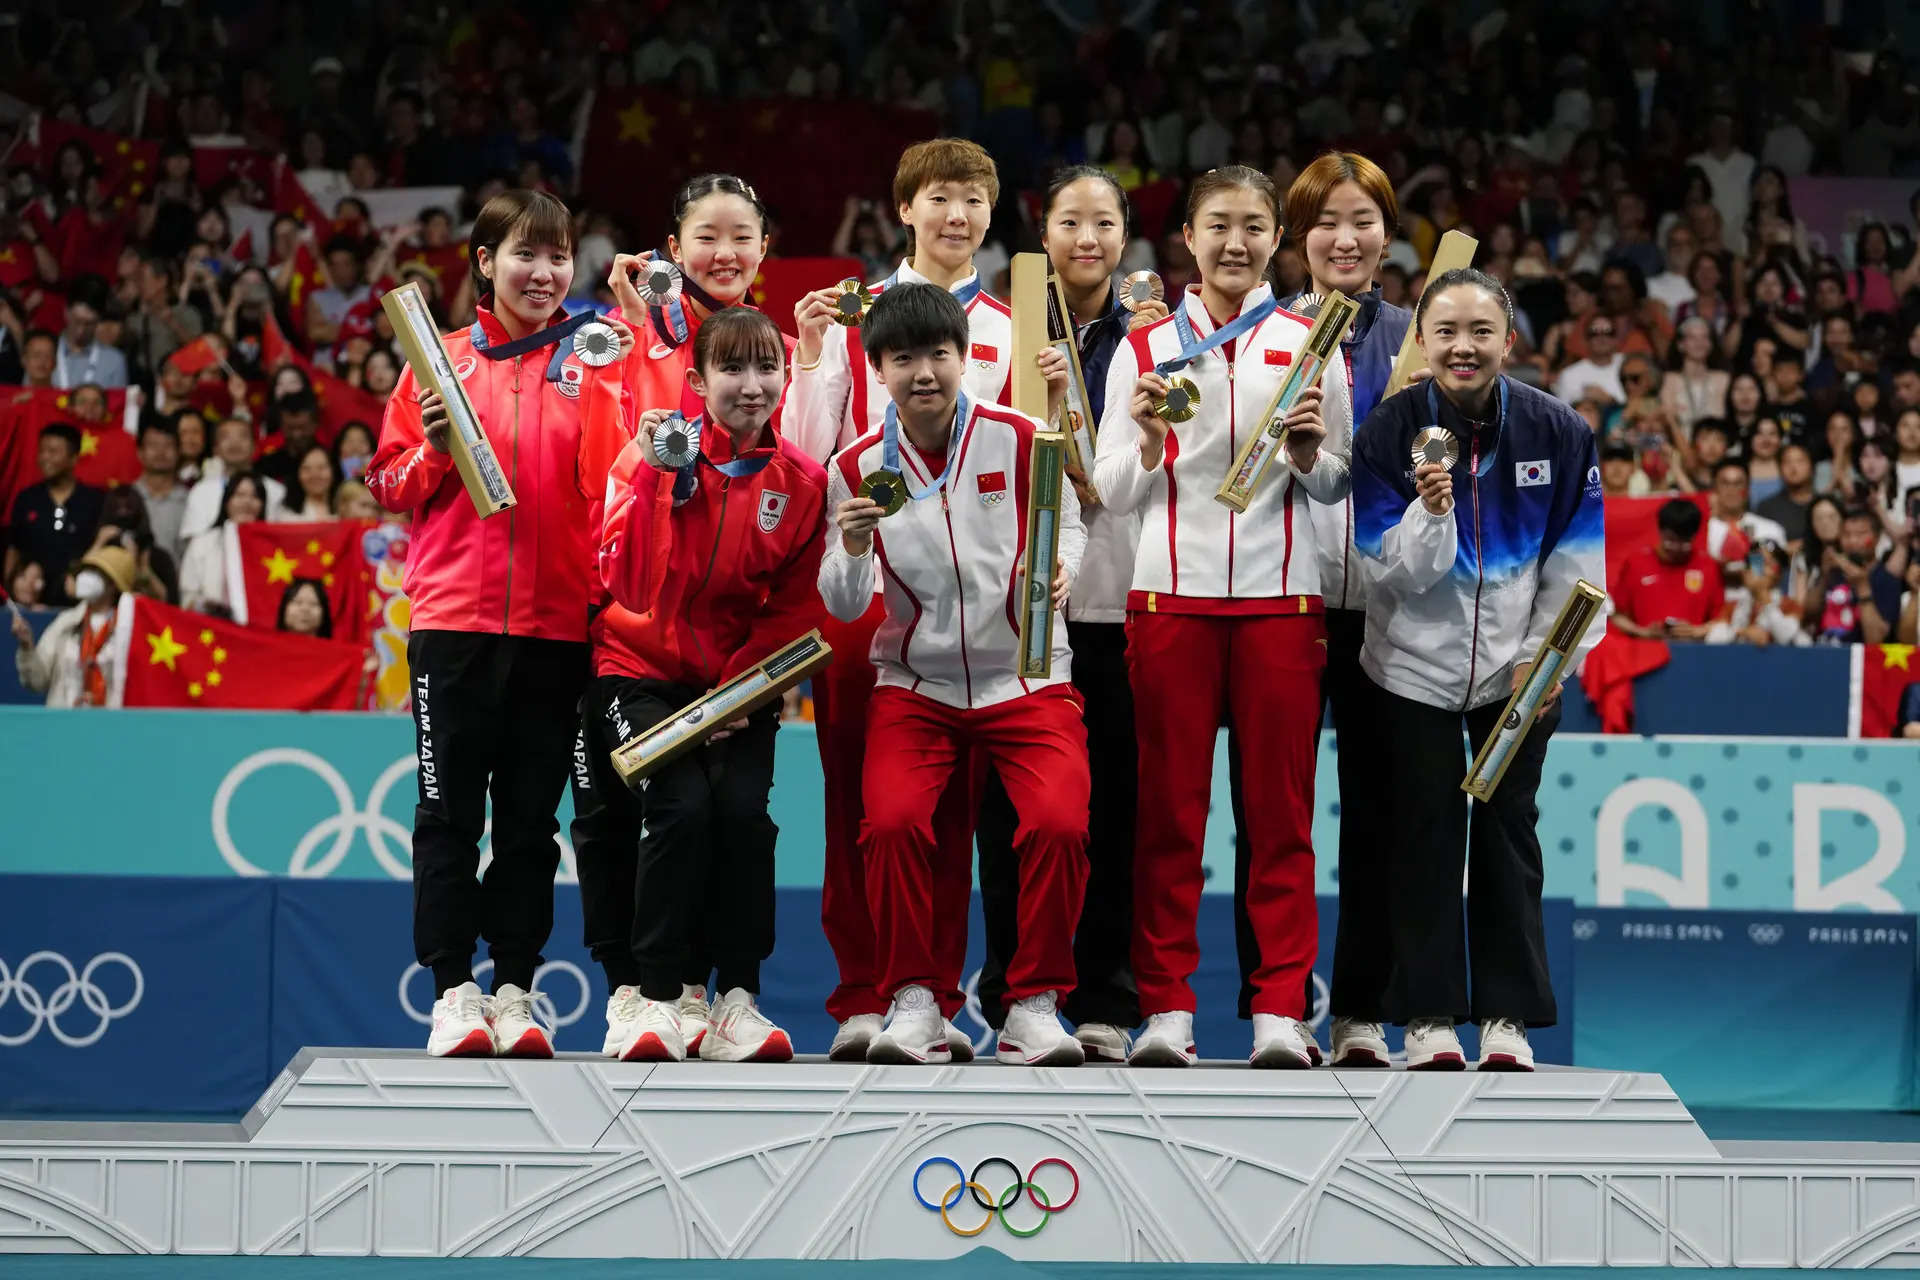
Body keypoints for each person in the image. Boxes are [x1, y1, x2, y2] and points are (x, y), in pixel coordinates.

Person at [1092, 165, 1353, 1069]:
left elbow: (1338, 480)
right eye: (1217, 226)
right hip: (1170, 601)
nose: (1235, 243)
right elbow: (1113, 489)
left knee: (1279, 817)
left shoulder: (1312, 336)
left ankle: (1279, 1008)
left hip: (1283, 602)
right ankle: (1167, 1009)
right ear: (1188, 240)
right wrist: (1153, 442)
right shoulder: (1146, 344)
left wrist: (1313, 454)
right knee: (1169, 816)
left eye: (1252, 227)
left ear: (1276, 240)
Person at [366, 189, 636, 1059]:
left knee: (529, 823)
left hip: (560, 629)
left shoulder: (594, 363)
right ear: (484, 262)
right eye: (526, 254)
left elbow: (615, 490)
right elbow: (384, 485)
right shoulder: (434, 363)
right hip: (453, 625)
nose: (545, 273)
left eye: (559, 258)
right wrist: (433, 452)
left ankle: (515, 989)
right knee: (447, 813)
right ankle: (452, 992)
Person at [784, 139, 1035, 1062]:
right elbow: (809, 453)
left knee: (963, 811)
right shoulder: (853, 318)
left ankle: (938, 990)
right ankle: (866, 992)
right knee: (861, 801)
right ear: (906, 210)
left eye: (974, 199)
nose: (956, 216)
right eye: (939, 198)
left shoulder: (1014, 327)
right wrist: (812, 356)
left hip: (977, 603)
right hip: (863, 582)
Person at [820, 283, 1089, 1067]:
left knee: (1059, 824)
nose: (925, 372)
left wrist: (1063, 563)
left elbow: (1066, 516)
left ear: (966, 357)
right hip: (917, 685)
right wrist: (852, 547)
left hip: (1027, 676)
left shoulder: (1020, 435)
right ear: (878, 369)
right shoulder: (856, 467)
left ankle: (1033, 1004)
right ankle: (915, 1001)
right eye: (903, 358)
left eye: (939, 354)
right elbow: (840, 604)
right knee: (895, 824)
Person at [1351, 268, 1604, 1071]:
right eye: (1447, 332)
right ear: (1420, 341)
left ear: (1508, 341)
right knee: (1421, 838)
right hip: (1409, 672)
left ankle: (1507, 1019)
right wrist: (1431, 516)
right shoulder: (1389, 432)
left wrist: (1543, 664)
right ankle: (1425, 1017)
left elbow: (1578, 562)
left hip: (1518, 675)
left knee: (1507, 837)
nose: (1464, 347)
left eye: (1480, 332)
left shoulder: (1557, 430)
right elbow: (1383, 572)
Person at [572, 172, 784, 1059]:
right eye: (706, 236)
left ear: (765, 247)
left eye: (742, 236)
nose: (725, 253)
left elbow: (793, 491)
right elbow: (596, 479)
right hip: (629, 634)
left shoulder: (781, 350)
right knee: (636, 817)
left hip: (734, 647)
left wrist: (756, 668)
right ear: (670, 246)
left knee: (733, 816)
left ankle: (714, 995)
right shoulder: (624, 335)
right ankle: (638, 991)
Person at [583, 307, 826, 1064]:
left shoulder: (803, 483)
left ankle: (736, 1000)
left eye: (767, 370)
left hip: (738, 683)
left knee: (745, 820)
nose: (752, 388)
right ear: (696, 380)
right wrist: (658, 477)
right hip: (635, 669)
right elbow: (625, 580)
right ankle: (656, 1000)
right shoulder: (651, 456)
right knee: (681, 807)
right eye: (732, 370)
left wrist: (733, 696)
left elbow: (793, 608)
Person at [971, 166, 1146, 1062]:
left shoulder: (1154, 335)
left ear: (1126, 235)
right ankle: (1013, 993)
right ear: (1044, 233)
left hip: (1120, 598)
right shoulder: (1010, 327)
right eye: (1070, 222)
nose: (1088, 238)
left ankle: (1108, 999)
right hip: (1023, 597)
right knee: (1013, 818)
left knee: (1110, 811)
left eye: (1105, 222)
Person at [1260, 151, 1414, 1070]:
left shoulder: (1425, 335)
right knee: (1274, 814)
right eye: (1324, 222)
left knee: (1380, 817)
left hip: (1394, 611)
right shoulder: (1263, 334)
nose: (1343, 238)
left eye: (1361, 220)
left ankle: (1360, 1012)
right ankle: (1273, 1007)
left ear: (1388, 235)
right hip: (1286, 598)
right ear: (1296, 239)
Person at [11, 545, 135, 708]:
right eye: (86, 570)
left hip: (110, 728)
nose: (85, 577)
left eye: (96, 572)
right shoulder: (65, 623)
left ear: (113, 584)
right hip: (62, 728)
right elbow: (37, 682)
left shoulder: (129, 630)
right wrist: (27, 647)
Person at [1609, 500, 1725, 639]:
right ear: (1660, 531)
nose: (1676, 548)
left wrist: (1697, 631)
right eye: (1670, 540)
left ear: (1694, 536)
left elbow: (1721, 620)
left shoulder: (1708, 567)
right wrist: (1644, 632)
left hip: (1695, 653)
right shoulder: (1636, 564)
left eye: (1684, 542)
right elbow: (1616, 617)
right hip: (1644, 654)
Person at [1803, 508, 1902, 645]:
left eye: (1860, 534)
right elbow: (1807, 616)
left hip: (1859, 660)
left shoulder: (1886, 579)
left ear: (1877, 537)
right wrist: (1824, 576)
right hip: (1823, 653)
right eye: (1846, 535)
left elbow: (1876, 640)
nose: (1852, 541)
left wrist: (1863, 587)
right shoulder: (1833, 572)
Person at [182, 417, 288, 538]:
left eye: (242, 436)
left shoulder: (277, 490)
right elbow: (193, 540)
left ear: (255, 447)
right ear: (215, 449)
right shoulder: (201, 491)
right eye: (226, 437)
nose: (235, 442)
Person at [178, 473, 268, 614]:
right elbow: (189, 595)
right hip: (212, 626)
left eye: (255, 496)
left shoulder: (272, 547)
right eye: (239, 495)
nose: (247, 502)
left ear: (263, 505)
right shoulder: (201, 543)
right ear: (227, 501)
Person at [131, 420, 188, 563]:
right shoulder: (125, 498)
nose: (161, 452)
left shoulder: (191, 501)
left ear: (179, 452)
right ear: (140, 452)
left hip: (177, 583)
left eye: (168, 445)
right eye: (153, 445)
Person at [1555, 315, 1626, 405]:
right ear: (1585, 340)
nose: (1601, 337)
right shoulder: (1569, 375)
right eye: (1594, 333)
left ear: (1616, 339)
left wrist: (1610, 401)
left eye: (1608, 332)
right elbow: (1563, 416)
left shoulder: (1630, 365)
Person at [282, 443, 341, 520]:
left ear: (333, 471)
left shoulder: (347, 508)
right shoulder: (285, 512)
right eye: (306, 469)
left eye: (321, 467)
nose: (315, 475)